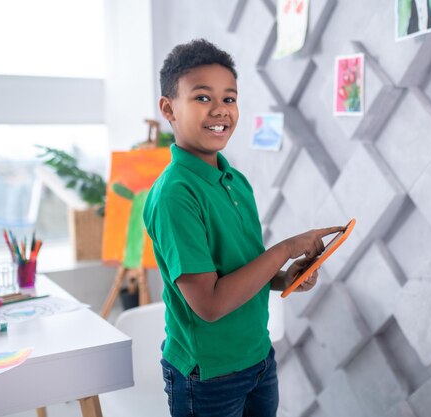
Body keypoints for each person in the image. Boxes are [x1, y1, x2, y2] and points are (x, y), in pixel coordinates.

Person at [143, 38, 344, 417]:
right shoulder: (174, 195)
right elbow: (211, 304)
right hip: (208, 376)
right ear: (169, 109)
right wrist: (284, 249)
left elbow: (240, 271)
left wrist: (286, 278)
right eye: (202, 98)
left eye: (229, 99)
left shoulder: (235, 180)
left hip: (258, 358)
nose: (220, 110)